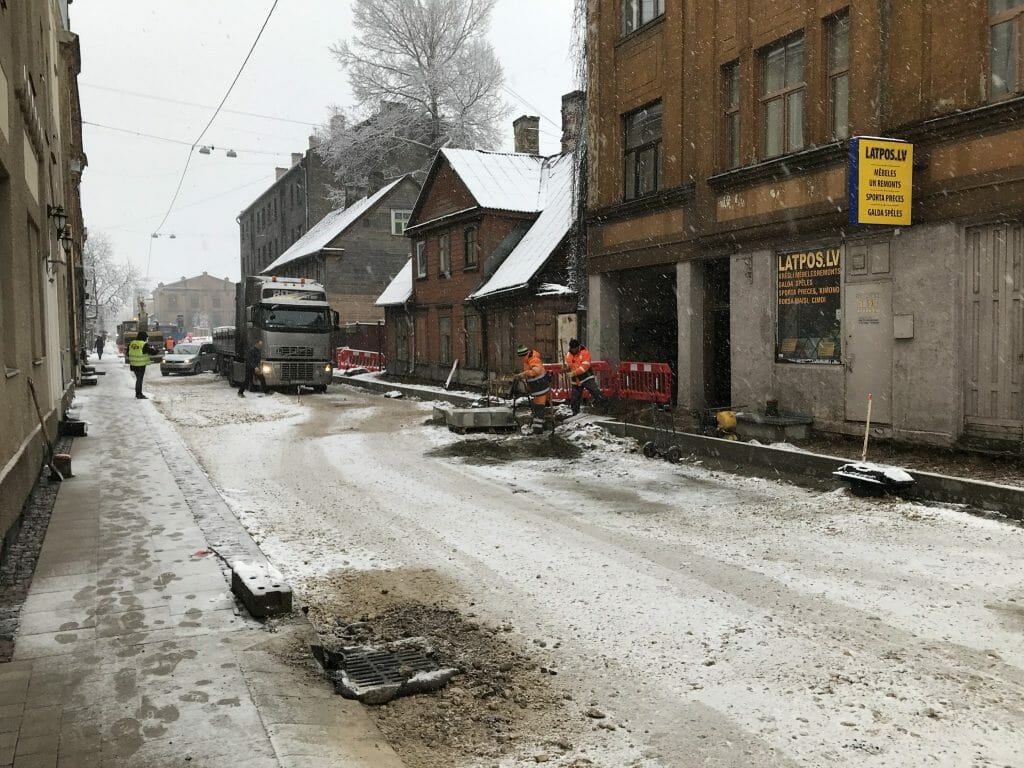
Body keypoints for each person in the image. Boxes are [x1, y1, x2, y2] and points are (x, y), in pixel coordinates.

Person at [564, 338, 607, 416]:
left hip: (586, 377)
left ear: (578, 347)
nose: (573, 350)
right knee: (575, 398)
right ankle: (575, 413)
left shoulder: (585, 353)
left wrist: (574, 372)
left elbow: (585, 367)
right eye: (572, 349)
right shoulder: (569, 355)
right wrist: (566, 367)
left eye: (575, 348)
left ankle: (604, 407)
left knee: (595, 392)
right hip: (576, 379)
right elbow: (568, 364)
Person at [515, 344, 550, 435]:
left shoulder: (533, 359)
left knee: (539, 408)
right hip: (538, 388)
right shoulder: (528, 359)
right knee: (538, 408)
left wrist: (523, 374)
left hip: (541, 387)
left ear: (523, 355)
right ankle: (543, 426)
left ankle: (537, 430)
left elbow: (536, 371)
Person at [127, 331, 158, 399]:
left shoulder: (131, 343)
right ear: (144, 337)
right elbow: (153, 352)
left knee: (138, 379)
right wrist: (156, 350)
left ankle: (138, 393)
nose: (146, 339)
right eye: (146, 337)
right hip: (140, 365)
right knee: (139, 379)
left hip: (133, 364)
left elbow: (127, 353)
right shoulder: (143, 344)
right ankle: (138, 394)